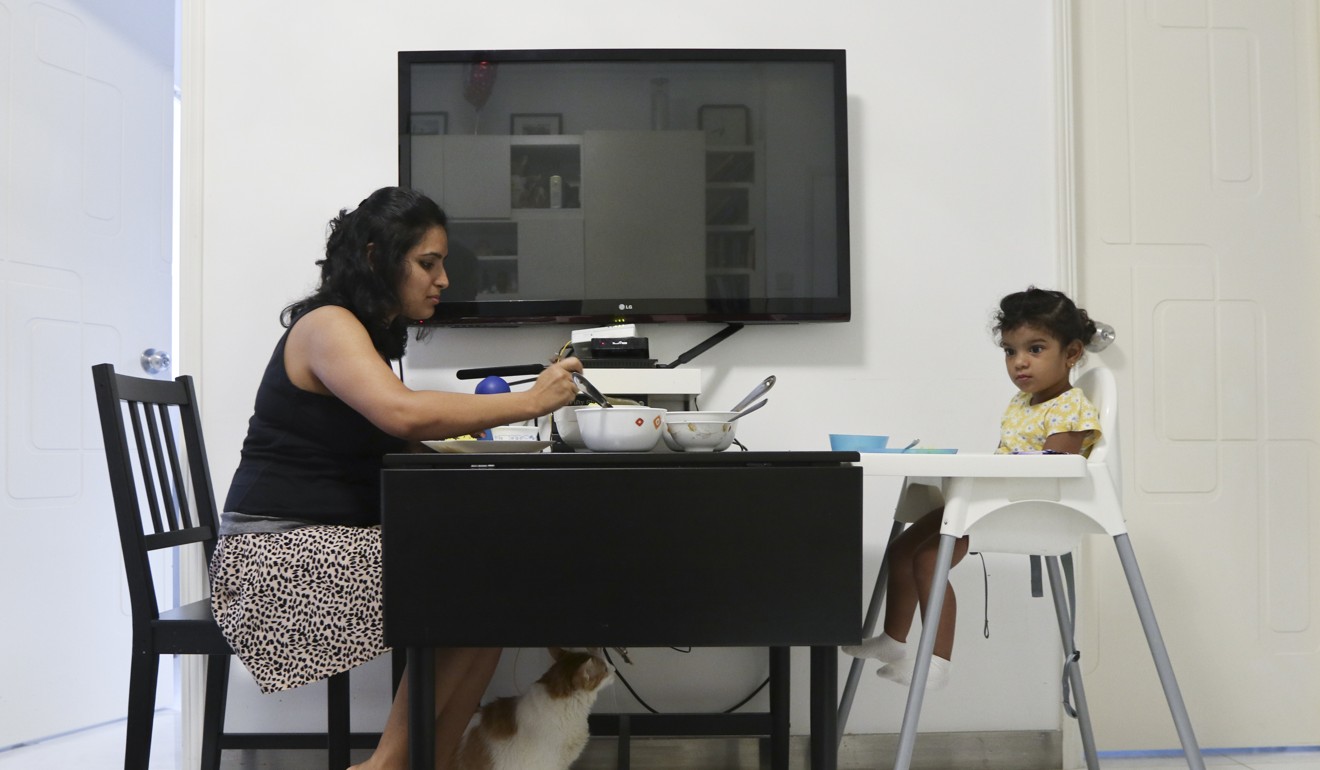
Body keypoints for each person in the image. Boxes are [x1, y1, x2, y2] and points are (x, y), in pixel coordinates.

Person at [208, 186, 583, 770]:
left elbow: (408, 439)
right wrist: (528, 402)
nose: (443, 280)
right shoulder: (327, 326)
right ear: (379, 257)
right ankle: (384, 768)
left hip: (314, 549)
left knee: (502, 584)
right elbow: (402, 412)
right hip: (271, 565)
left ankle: (429, 763)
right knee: (482, 576)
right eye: (427, 263)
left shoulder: (362, 341)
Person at [842, 287, 1102, 690]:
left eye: (1035, 349)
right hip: (992, 499)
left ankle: (937, 664)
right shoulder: (1023, 402)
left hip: (1023, 507)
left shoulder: (1071, 406)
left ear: (1071, 353)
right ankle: (894, 640)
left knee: (929, 560)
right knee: (903, 549)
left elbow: (1057, 471)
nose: (1019, 362)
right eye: (1010, 351)